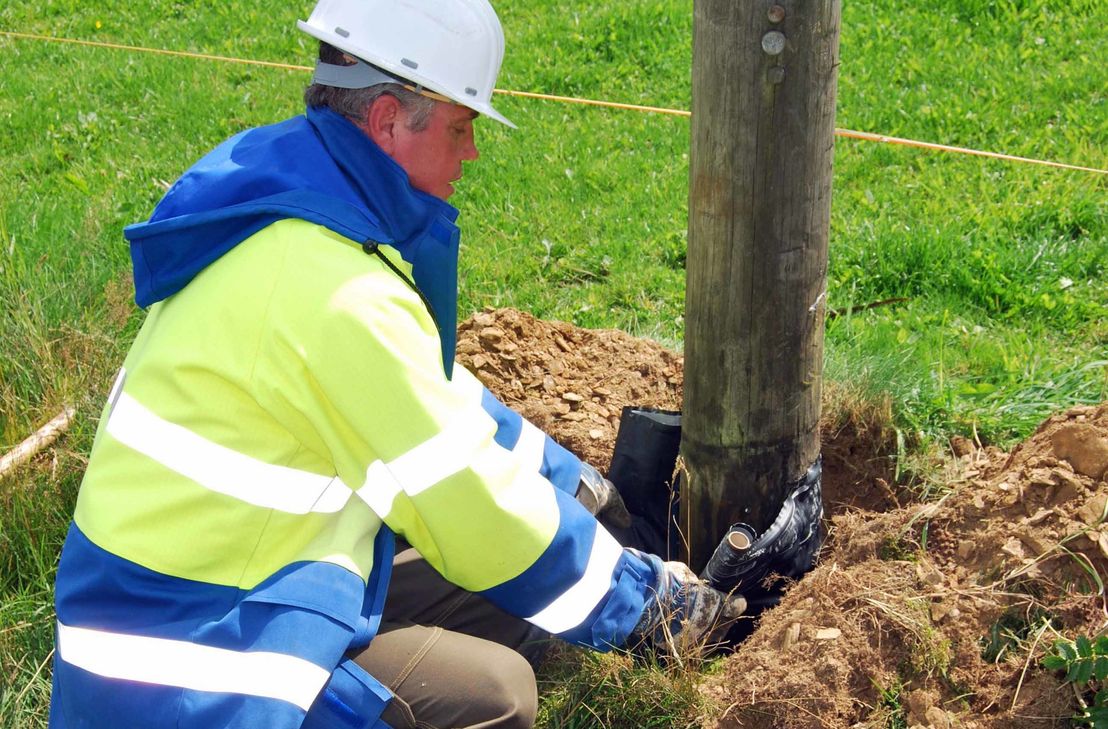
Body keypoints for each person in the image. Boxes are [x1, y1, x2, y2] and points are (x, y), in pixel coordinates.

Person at [48, 1, 745, 727]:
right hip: (186, 670)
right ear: (387, 122)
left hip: (235, 572)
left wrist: (580, 485)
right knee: (498, 694)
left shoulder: (301, 208)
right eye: (460, 127)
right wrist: (656, 608)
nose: (470, 154)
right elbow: (473, 505)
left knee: (510, 584)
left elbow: (436, 403)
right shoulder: (335, 295)